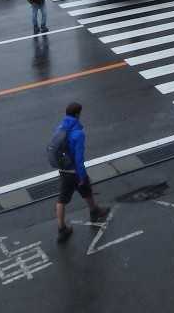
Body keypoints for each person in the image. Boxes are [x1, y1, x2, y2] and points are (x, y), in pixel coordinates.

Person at [53, 103, 110, 242]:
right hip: (73, 170)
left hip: (63, 168)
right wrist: (82, 175)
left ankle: (93, 211)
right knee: (77, 189)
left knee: (78, 192)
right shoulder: (78, 134)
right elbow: (79, 158)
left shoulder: (60, 128)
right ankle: (63, 228)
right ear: (77, 114)